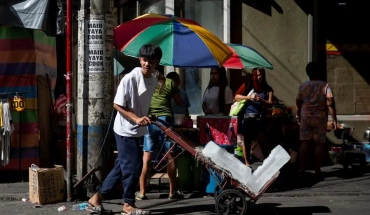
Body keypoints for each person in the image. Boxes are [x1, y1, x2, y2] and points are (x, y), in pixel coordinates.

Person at [87, 44, 162, 215]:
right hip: (125, 129)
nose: (147, 64)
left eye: (151, 61)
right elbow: (117, 104)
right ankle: (128, 204)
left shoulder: (153, 79)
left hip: (138, 129)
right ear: (140, 59)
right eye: (144, 60)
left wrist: (147, 116)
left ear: (157, 62)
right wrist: (136, 118)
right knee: (134, 166)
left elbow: (141, 104)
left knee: (122, 166)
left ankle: (96, 199)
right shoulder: (130, 78)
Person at [136, 70, 184, 201]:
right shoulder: (170, 83)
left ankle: (142, 192)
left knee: (147, 156)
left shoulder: (145, 83)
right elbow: (180, 102)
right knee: (169, 155)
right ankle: (172, 192)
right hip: (165, 121)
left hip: (150, 121)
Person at [296, 62, 337, 178]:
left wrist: (298, 114)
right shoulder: (325, 86)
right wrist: (334, 119)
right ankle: (317, 169)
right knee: (319, 143)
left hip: (306, 117)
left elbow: (298, 101)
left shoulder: (303, 86)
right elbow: (330, 102)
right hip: (320, 117)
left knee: (305, 142)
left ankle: (302, 168)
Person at [234, 68, 273, 166]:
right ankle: (247, 162)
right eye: (254, 75)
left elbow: (270, 103)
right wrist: (248, 97)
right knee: (247, 140)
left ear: (263, 76)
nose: (257, 77)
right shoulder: (247, 86)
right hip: (248, 118)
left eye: (259, 75)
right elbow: (236, 96)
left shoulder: (267, 89)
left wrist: (262, 101)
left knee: (262, 138)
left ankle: (267, 161)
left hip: (260, 119)